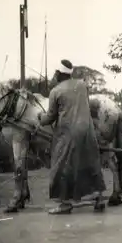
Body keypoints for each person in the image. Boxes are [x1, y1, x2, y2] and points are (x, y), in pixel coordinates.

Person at [36, 59, 106, 214]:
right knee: (90, 162)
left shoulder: (55, 92)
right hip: (87, 130)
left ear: (59, 74)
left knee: (61, 165)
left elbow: (50, 118)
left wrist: (40, 117)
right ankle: (98, 197)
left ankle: (65, 204)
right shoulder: (82, 86)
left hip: (68, 133)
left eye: (56, 73)